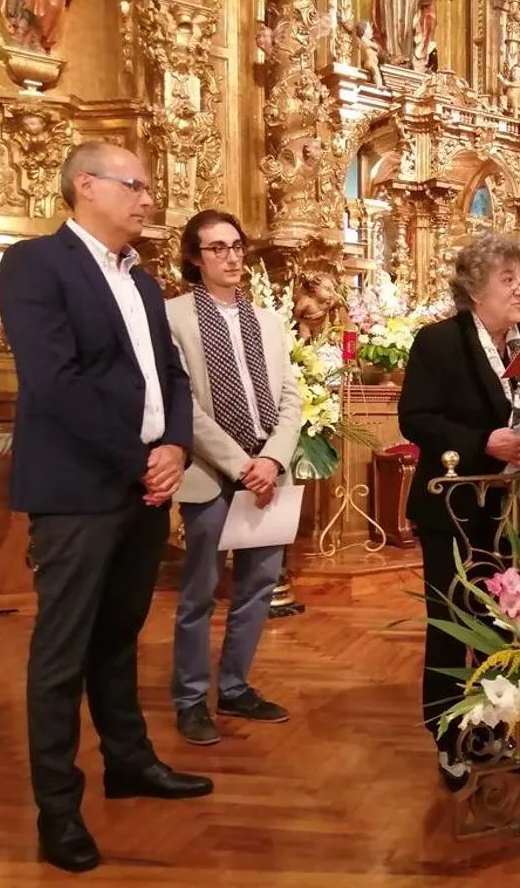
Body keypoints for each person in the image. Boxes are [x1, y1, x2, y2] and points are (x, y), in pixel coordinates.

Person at [0, 140, 212, 874]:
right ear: (86, 186)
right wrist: (139, 458)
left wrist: (175, 448)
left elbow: (173, 377)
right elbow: (53, 384)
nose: (148, 198)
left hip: (145, 482)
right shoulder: (35, 265)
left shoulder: (144, 283)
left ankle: (129, 762)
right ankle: (57, 810)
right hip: (79, 490)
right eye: (136, 185)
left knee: (118, 639)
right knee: (60, 653)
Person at [397, 232, 520, 791]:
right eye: (508, 281)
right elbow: (415, 418)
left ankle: (494, 724)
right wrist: (483, 442)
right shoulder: (438, 343)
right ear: (474, 290)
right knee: (452, 624)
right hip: (456, 508)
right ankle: (449, 737)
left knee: (505, 622)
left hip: (516, 511)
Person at [164, 209, 302, 746]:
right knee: (199, 592)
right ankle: (191, 698)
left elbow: (290, 397)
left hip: (266, 470)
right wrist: (240, 463)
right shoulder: (173, 317)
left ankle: (236, 685)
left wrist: (270, 459)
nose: (231, 257)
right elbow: (186, 405)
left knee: (259, 587)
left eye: (237, 246)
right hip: (210, 473)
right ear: (195, 258)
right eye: (217, 248)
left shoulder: (267, 320)